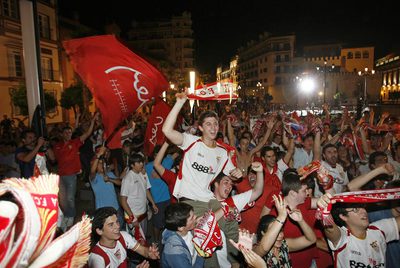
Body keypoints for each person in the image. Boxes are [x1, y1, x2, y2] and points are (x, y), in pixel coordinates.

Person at [317, 193, 400, 268]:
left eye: (363, 207)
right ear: (343, 216)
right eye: (356, 209)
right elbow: (330, 229)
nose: (363, 211)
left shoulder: (378, 230)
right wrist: (325, 213)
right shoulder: (343, 238)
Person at [53, 113, 98, 230]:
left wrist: (93, 120)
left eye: (70, 132)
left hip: (72, 175)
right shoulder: (57, 145)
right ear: (62, 134)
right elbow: (53, 159)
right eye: (66, 133)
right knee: (62, 199)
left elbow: (87, 133)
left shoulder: (75, 143)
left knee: (70, 198)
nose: (68, 134)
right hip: (61, 175)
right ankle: (67, 214)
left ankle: (70, 216)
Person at [89, 207, 159, 267]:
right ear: (99, 231)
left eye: (117, 222)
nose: (117, 226)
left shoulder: (123, 236)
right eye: (111, 225)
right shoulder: (97, 258)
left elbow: (143, 250)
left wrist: (149, 253)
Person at [120, 153, 158, 240]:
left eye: (142, 162)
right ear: (132, 165)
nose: (142, 164)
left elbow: (146, 190)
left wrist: (153, 204)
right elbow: (123, 201)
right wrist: (132, 218)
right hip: (134, 215)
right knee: (134, 241)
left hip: (143, 213)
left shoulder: (143, 174)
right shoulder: (127, 179)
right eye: (138, 162)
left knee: (143, 238)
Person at [161, 202, 203, 268]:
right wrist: (201, 253)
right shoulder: (175, 252)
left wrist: (197, 222)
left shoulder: (184, 229)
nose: (196, 217)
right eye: (192, 218)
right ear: (181, 227)